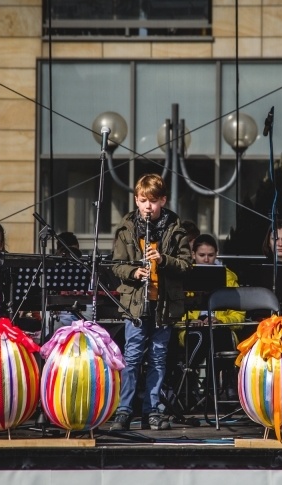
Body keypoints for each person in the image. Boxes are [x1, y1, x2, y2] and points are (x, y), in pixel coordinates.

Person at [109, 173, 191, 431]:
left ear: (163, 201)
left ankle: (152, 410)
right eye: (143, 200)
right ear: (136, 200)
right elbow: (116, 265)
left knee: (158, 358)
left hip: (163, 304)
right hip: (136, 303)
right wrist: (134, 272)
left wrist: (163, 259)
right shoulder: (127, 229)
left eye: (153, 201)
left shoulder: (175, 229)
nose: (148, 206)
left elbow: (187, 265)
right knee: (132, 357)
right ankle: (124, 410)